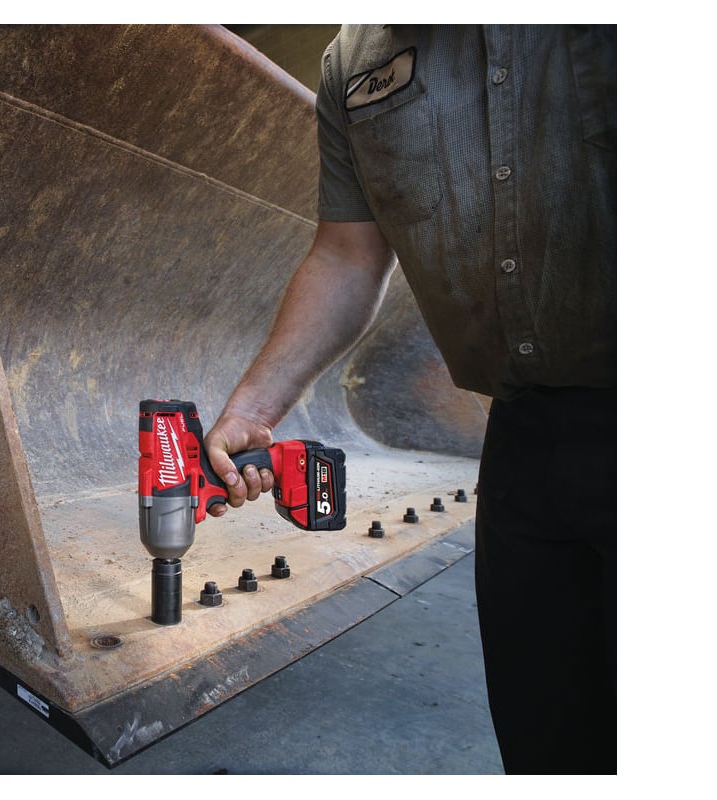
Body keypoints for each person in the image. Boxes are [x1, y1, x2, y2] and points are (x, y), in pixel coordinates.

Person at [204, 25, 616, 774]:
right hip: (523, 438)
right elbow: (347, 255)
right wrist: (254, 409)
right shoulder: (351, 64)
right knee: (549, 738)